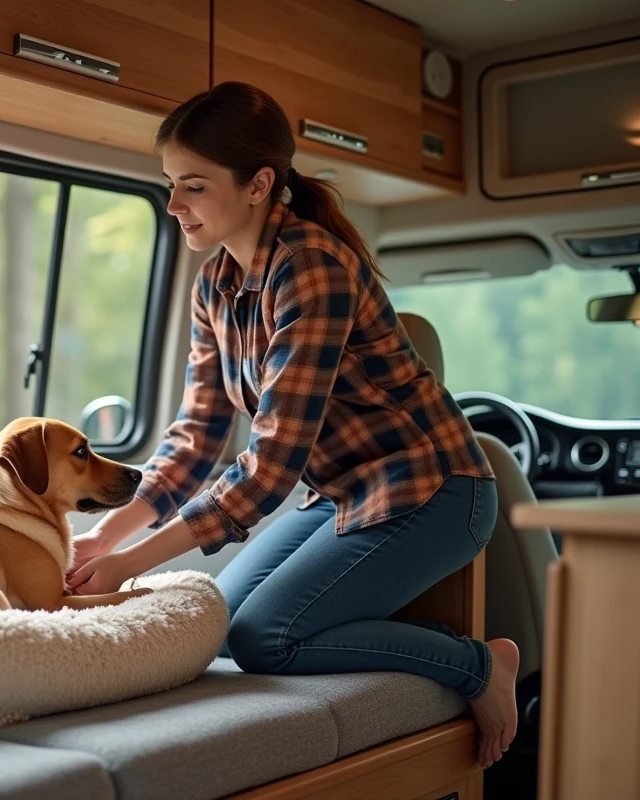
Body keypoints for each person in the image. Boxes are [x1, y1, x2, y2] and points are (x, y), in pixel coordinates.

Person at [65, 81, 517, 768]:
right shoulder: (214, 284)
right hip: (341, 495)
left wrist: (130, 565)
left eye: (192, 185)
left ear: (259, 185)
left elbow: (270, 468)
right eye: (169, 184)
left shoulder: (311, 269)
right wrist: (105, 534)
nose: (173, 205)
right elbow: (197, 438)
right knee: (216, 626)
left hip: (434, 490)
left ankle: (480, 666)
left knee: (263, 639)